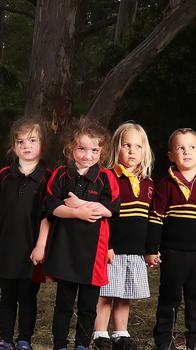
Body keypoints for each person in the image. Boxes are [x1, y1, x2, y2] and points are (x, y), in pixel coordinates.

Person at [146, 128, 196, 350]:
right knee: (169, 298)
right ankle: (165, 340)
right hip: (172, 253)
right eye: (180, 148)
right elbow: (155, 219)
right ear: (171, 155)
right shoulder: (165, 185)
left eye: (192, 147)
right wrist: (152, 249)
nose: (186, 152)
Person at [43, 118, 120, 350]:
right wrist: (77, 212)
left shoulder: (106, 177)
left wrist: (79, 203)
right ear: (70, 149)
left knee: (88, 305)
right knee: (63, 303)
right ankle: (60, 344)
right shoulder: (60, 175)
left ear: (103, 151)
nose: (88, 155)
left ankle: (82, 345)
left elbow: (109, 209)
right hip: (65, 248)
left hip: (93, 253)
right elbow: (52, 207)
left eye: (94, 150)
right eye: (82, 148)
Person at [92, 122, 155, 350]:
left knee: (124, 293)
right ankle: (100, 333)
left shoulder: (147, 183)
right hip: (112, 249)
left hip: (135, 250)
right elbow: (104, 218)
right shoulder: (108, 177)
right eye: (126, 145)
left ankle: (121, 332)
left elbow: (149, 219)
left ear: (144, 151)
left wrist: (150, 249)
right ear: (116, 148)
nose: (132, 151)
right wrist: (107, 245)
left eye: (137, 146)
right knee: (106, 294)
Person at [0, 118, 50, 350]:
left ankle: (24, 340)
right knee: (7, 297)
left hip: (32, 248)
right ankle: (5, 338)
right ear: (13, 146)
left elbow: (48, 216)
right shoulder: (4, 175)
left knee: (27, 297)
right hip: (6, 247)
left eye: (32, 140)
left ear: (42, 144)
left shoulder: (49, 178)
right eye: (20, 141)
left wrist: (41, 246)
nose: (26, 146)